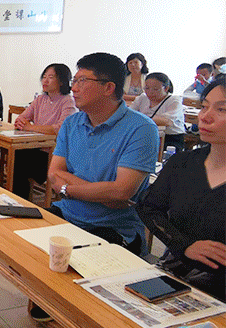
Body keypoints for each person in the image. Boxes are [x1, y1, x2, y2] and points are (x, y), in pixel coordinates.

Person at [47, 52, 159, 255]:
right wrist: (101, 194)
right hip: (66, 213)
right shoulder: (71, 123)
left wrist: (66, 188)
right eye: (74, 81)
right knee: (14, 242)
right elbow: (54, 173)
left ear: (108, 88)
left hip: (113, 228)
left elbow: (120, 192)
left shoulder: (142, 129)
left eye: (82, 81)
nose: (73, 88)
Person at [137, 75, 225, 301]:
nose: (205, 117)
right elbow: (149, 208)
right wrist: (184, 245)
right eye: (204, 107)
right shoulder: (183, 163)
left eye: (221, 109)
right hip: (176, 272)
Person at [11, 63, 77, 198]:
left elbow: (60, 129)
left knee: (19, 161)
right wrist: (22, 122)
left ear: (62, 81)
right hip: (35, 147)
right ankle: (17, 197)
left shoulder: (68, 102)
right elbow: (21, 118)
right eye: (44, 77)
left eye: (51, 77)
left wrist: (30, 127)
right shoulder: (41, 99)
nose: (45, 81)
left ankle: (20, 199)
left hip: (52, 153)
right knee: (15, 155)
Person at [129, 72, 185, 153]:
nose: (150, 92)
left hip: (170, 138)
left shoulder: (174, 100)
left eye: (155, 89)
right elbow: (129, 115)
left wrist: (139, 119)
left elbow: (166, 121)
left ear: (166, 88)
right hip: (145, 135)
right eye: (147, 88)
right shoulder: (142, 98)